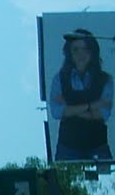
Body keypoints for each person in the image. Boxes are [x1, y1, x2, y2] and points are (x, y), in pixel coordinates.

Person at [49, 28, 114, 161]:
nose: (81, 54)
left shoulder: (106, 79)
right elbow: (56, 112)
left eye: (85, 49)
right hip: (67, 147)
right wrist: (91, 105)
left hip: (98, 146)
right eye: (76, 49)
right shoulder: (59, 79)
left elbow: (103, 114)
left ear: (92, 51)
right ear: (69, 52)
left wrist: (70, 109)